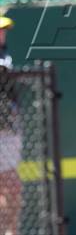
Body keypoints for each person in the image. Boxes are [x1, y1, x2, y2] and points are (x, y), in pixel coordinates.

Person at [0, 14, 23, 235]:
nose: (2, 34)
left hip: (7, 131)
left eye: (3, 29)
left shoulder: (4, 55)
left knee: (12, 188)